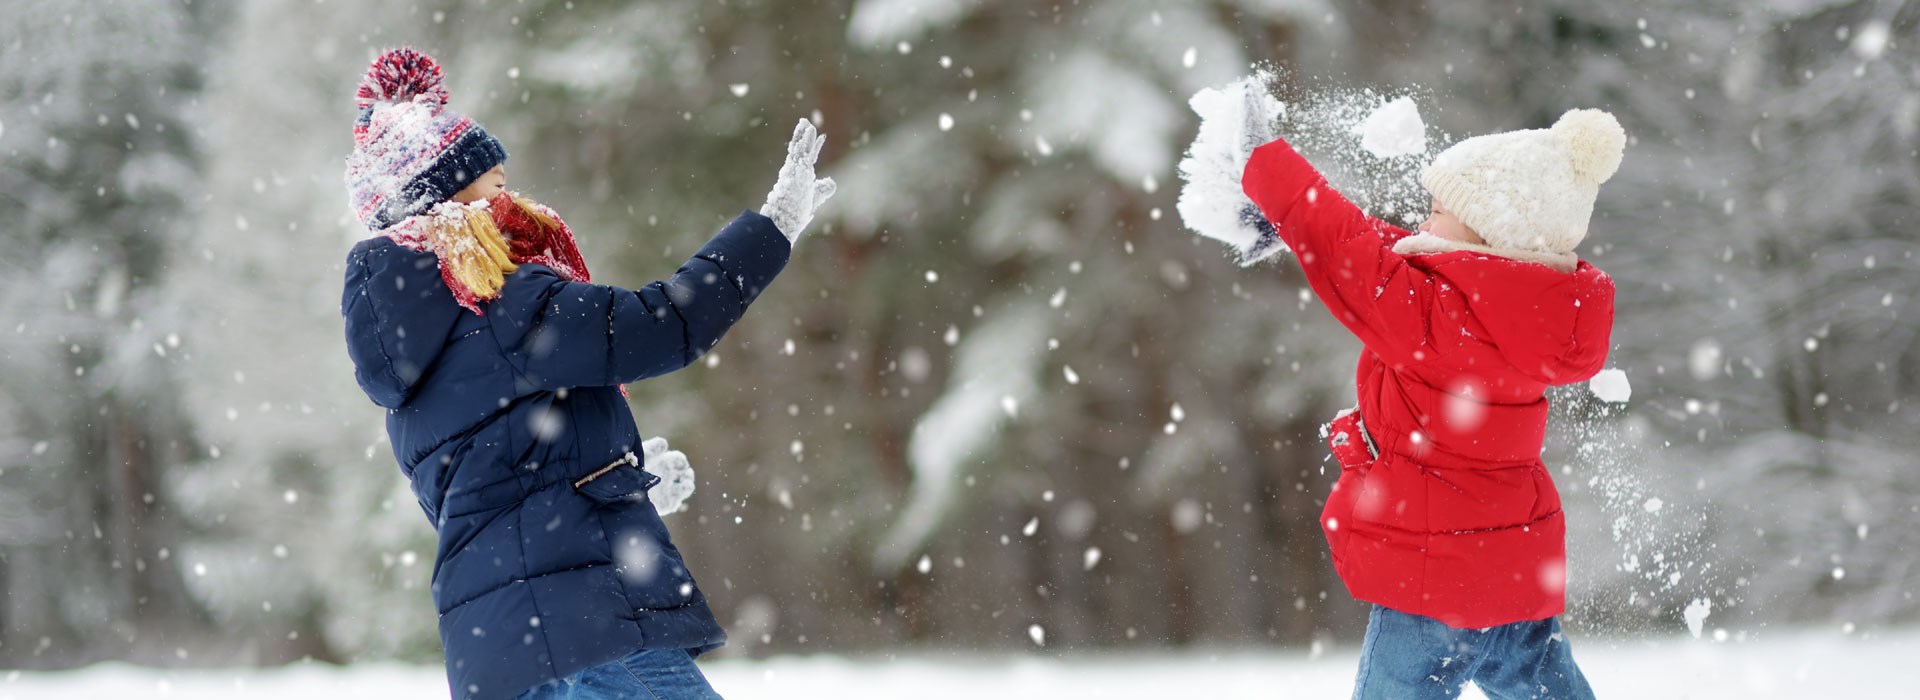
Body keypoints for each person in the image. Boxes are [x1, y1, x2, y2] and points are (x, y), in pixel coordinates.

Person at [339, 47, 835, 700]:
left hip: (497, 644)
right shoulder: (496, 299)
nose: (507, 196)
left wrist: (622, 485)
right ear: (448, 199)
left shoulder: (409, 353)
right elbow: (660, 324)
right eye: (492, 182)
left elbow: (489, 492)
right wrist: (772, 229)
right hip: (581, 619)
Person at [1188, 80, 1623, 699]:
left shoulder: (1434, 317)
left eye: (1438, 211)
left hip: (1433, 588)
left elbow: (1349, 250)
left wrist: (1264, 162)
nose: (1421, 222)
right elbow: (1385, 249)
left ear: (1480, 235)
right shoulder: (1530, 321)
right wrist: (1280, 218)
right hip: (1516, 585)